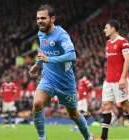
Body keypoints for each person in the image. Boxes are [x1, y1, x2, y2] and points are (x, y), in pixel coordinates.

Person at [28, 4, 93, 140]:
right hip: (48, 79)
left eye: (43, 18)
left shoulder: (61, 35)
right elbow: (43, 51)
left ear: (52, 19)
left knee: (73, 114)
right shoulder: (41, 33)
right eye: (38, 18)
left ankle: (88, 136)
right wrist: (37, 64)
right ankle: (42, 138)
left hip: (65, 82)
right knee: (37, 103)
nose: (39, 21)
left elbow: (72, 56)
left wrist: (48, 59)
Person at [99, 20, 129, 140]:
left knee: (125, 105)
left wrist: (123, 78)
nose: (104, 30)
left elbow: (127, 59)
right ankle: (103, 137)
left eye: (106, 27)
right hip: (108, 80)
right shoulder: (108, 43)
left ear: (113, 29)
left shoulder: (123, 42)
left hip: (120, 80)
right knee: (106, 105)